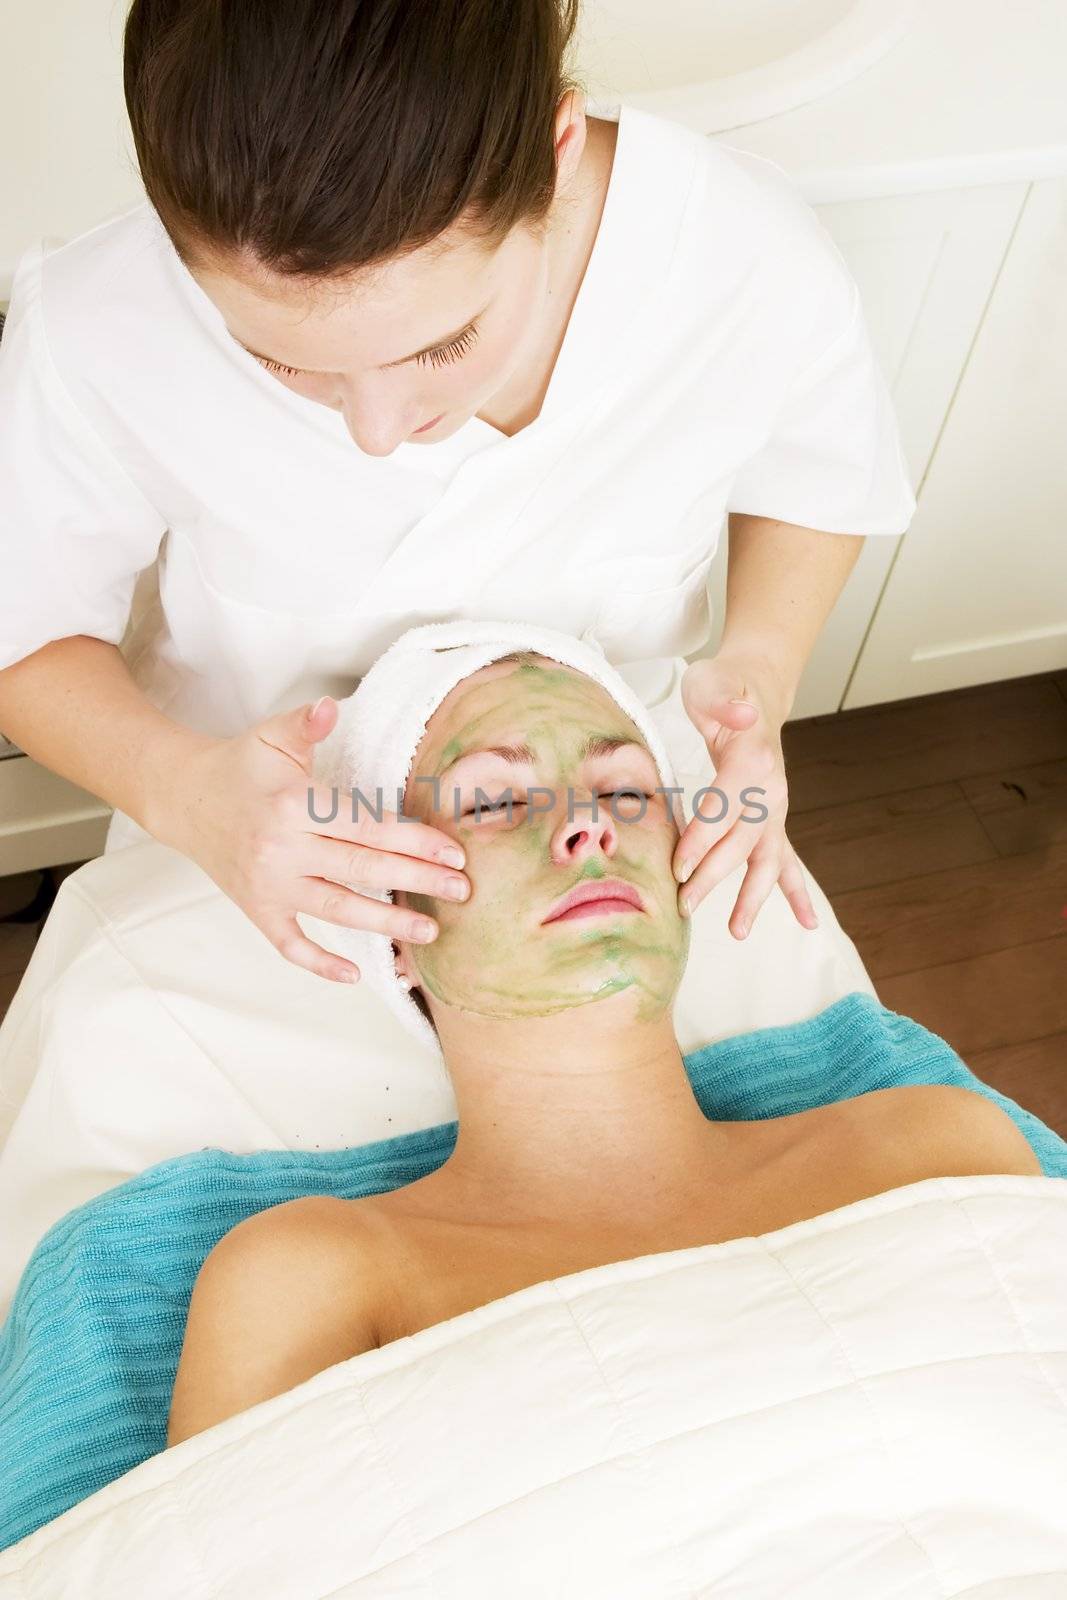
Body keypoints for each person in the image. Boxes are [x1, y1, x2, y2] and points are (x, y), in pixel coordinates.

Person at [0, 1, 916, 986]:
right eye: (282, 363)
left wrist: (761, 673)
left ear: (554, 153)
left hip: (626, 825)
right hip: (245, 838)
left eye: (441, 344)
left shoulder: (744, 256)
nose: (376, 431)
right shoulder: (101, 326)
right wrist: (182, 790)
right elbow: (25, 635)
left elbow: (817, 475)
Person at [165, 650, 1038, 1448]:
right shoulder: (316, 1278)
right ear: (390, 928)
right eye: (496, 800)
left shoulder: (936, 1148)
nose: (588, 826)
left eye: (625, 791)